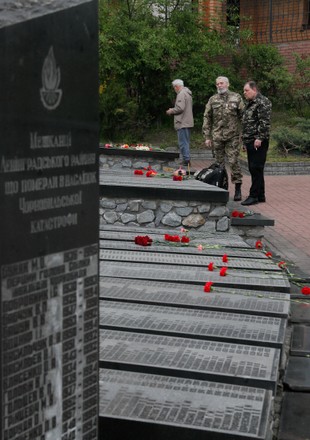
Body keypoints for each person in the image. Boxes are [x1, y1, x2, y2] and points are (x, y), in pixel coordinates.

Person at [202, 76, 244, 201]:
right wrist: (207, 136)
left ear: (227, 84)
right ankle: (221, 188)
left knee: (233, 162)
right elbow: (207, 117)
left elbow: (243, 117)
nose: (219, 85)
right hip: (217, 136)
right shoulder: (213, 99)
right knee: (219, 164)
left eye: (221, 83)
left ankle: (238, 189)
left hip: (233, 137)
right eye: (217, 84)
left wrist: (245, 135)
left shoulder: (236, 98)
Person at [241, 81, 272, 206]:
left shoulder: (262, 102)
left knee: (256, 168)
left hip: (258, 141)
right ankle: (260, 194)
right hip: (250, 139)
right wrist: (244, 141)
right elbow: (247, 123)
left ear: (254, 89)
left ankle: (253, 195)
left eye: (246, 90)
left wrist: (260, 138)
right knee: (255, 169)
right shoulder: (250, 103)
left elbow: (264, 122)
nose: (244, 93)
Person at [166, 79, 194, 166]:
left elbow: (180, 108)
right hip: (187, 121)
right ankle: (186, 159)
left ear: (177, 86)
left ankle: (186, 160)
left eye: (174, 87)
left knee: (183, 142)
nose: (174, 89)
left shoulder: (181, 94)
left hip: (182, 122)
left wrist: (171, 111)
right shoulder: (187, 93)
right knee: (186, 141)